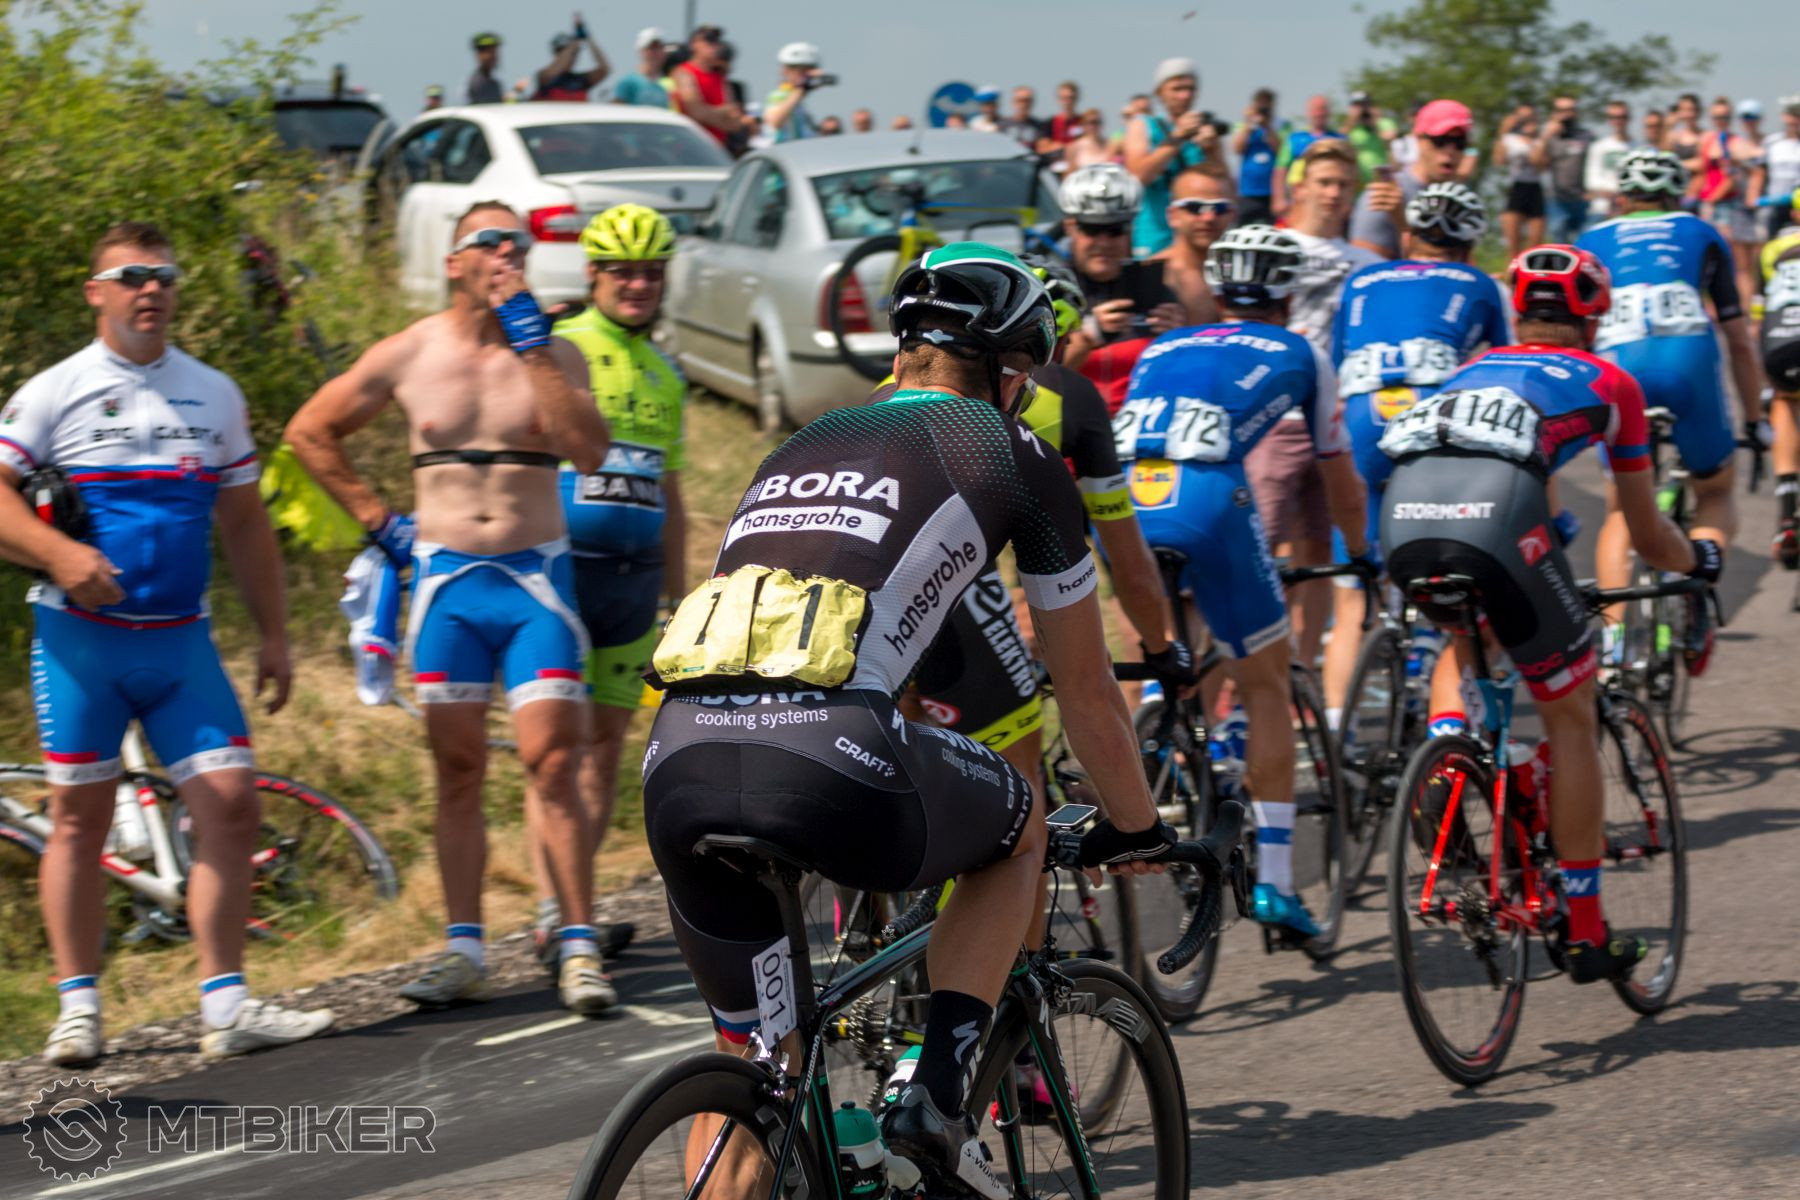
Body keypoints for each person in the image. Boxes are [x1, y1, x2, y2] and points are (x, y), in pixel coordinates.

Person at [642, 243, 1171, 1195]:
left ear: (903, 354)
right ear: (1013, 373)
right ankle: (936, 1097)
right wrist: (1138, 827)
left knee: (760, 1074)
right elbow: (1086, 687)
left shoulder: (801, 441)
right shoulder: (1012, 450)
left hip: (679, 759)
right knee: (1020, 826)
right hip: (823, 756)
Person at [0, 222, 331, 1065]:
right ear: (97, 292)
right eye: (132, 276)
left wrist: (275, 634)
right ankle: (78, 1009)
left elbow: (246, 523)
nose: (151, 289)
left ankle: (226, 1004)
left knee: (231, 803)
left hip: (182, 644)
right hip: (82, 644)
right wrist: (60, 555)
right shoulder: (55, 390)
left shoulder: (213, 393)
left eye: (165, 276)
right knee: (79, 821)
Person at [285, 202, 613, 1014]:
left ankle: (577, 943)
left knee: (553, 762)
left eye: (519, 243)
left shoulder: (556, 350)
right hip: (447, 587)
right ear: (453, 261)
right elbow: (310, 431)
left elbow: (588, 450)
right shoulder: (411, 351)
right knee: (458, 770)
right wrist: (378, 521)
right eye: (490, 241)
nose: (508, 254)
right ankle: (465, 949)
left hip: (536, 581)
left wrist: (533, 346)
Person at [1379, 244, 1719, 983]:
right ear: (1594, 316)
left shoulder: (1472, 370)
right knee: (1570, 712)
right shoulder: (1611, 382)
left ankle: (1445, 761)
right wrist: (1699, 560)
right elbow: (1647, 533)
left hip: (1404, 519)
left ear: (1519, 312)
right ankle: (1587, 931)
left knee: (1468, 640)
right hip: (1497, 523)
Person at [866, 257, 1187, 850]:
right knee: (1018, 817)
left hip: (846, 624)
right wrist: (1161, 650)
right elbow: (1126, 564)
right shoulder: (1070, 399)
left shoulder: (873, 403)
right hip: (962, 600)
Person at [1117, 225, 1371, 936]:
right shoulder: (1303, 351)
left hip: (1123, 504)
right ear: (1289, 294)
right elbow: (1338, 475)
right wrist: (1362, 554)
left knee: (1169, 643)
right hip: (1209, 500)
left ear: (1220, 289)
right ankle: (1277, 885)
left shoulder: (1162, 345)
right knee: (1266, 680)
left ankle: (1157, 728)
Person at [516, 205, 689, 972]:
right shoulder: (565, 346)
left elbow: (673, 494)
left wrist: (679, 601)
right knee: (554, 753)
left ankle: (571, 910)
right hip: (562, 573)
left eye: (652, 272)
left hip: (635, 584)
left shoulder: (667, 372)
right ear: (593, 275)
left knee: (602, 754)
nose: (638, 285)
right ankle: (554, 917)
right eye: (623, 272)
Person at [1320, 184, 1510, 722]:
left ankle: (1336, 734)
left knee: (1351, 599)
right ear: (1470, 247)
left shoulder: (1361, 280)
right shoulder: (1480, 283)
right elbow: (1507, 374)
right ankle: (1436, 670)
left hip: (1361, 416)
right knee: (1456, 570)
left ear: (1407, 238)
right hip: (1431, 417)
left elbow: (1337, 362)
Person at [1577, 150, 1765, 671]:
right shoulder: (1701, 231)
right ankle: (1697, 585)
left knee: (1622, 509)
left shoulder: (1590, 239)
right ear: (1676, 194)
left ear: (1622, 197)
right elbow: (1738, 340)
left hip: (1619, 365)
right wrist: (1755, 421)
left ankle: (1613, 646)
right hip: (1687, 361)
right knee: (1716, 489)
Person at [1260, 139, 1383, 666]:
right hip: (1275, 418)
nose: (1333, 194)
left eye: (1343, 185)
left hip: (1337, 421)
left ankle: (1301, 674)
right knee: (1263, 552)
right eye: (1324, 182)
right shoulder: (1271, 246)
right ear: (1301, 186)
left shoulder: (1370, 264)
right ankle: (1246, 678)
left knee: (1320, 553)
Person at [1055, 163, 1189, 411]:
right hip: (1070, 424)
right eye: (1092, 229)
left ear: (1130, 229)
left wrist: (1179, 339)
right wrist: (1088, 337)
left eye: (1115, 230)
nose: (1104, 242)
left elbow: (1184, 378)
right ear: (1070, 227)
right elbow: (1033, 380)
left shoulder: (1154, 287)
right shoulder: (1050, 290)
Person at [1124, 58, 1228, 257]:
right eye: (1177, 89)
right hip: (1154, 236)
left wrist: (1212, 150)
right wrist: (1178, 136)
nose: (1185, 95)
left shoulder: (1205, 129)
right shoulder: (1143, 125)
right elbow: (1137, 177)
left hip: (1197, 238)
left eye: (1190, 89)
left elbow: (1226, 190)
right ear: (1159, 92)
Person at [1350, 97, 1472, 259]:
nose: (1450, 151)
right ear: (1418, 139)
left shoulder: (1463, 200)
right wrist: (1400, 220)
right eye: (1441, 140)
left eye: (1460, 142)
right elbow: (1363, 268)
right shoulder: (1385, 195)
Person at [1759, 188, 1800, 565]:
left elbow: (1760, 312)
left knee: (1784, 402)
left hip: (1780, 344)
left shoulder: (1774, 248)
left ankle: (1788, 514)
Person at [1699, 96, 1766, 309]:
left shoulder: (1736, 143)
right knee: (1709, 260)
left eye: (1725, 117)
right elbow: (1702, 170)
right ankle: (1714, 308)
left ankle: (1743, 308)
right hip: (1710, 205)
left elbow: (1748, 173)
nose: (1721, 120)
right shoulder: (1707, 140)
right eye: (1717, 116)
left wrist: (1712, 199)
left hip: (1727, 207)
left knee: (1735, 263)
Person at [1150, 166, 1233, 323]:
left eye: (1219, 208)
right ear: (1173, 215)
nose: (1208, 217)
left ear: (1232, 214)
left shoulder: (1245, 275)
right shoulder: (1155, 277)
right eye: (1195, 207)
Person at [671, 25, 741, 150]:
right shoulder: (683, 72)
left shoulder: (720, 78)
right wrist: (723, 112)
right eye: (709, 39)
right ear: (694, 44)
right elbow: (696, 113)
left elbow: (735, 123)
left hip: (715, 151)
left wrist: (708, 114)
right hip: (688, 149)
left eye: (716, 40)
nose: (714, 44)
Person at [1274, 95, 1343, 221]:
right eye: (1316, 109)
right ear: (1309, 112)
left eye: (1323, 109)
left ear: (1329, 113)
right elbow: (1280, 170)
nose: (1319, 113)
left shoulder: (1339, 139)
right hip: (1299, 199)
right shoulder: (1295, 138)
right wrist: (1279, 199)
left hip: (1329, 200)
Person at [1495, 103, 1549, 257]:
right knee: (1513, 246)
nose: (1525, 121)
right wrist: (1503, 131)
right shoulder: (1509, 139)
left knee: (1535, 246)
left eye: (1529, 118)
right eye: (1522, 118)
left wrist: (1537, 139)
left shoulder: (1540, 140)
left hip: (1535, 188)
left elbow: (1539, 163)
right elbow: (1498, 160)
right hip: (1516, 188)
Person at [1541, 96, 1594, 242]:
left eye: (1570, 110)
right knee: (1559, 243)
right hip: (1557, 200)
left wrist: (1592, 190)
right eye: (1561, 110)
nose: (1566, 114)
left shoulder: (1586, 136)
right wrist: (1546, 136)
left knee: (1585, 243)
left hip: (1582, 199)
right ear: (1554, 113)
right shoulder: (1549, 138)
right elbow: (1538, 164)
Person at [533, 13, 609, 102]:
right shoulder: (543, 76)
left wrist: (588, 38)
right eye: (570, 53)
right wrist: (575, 42)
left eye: (575, 54)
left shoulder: (580, 80)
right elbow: (556, 68)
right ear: (556, 54)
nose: (572, 57)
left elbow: (604, 69)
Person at [1232, 87, 1281, 225]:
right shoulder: (1243, 125)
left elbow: (1281, 150)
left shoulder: (1281, 125)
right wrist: (1249, 124)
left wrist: (1268, 127)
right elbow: (1237, 149)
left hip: (1272, 193)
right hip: (1247, 192)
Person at [764, 42, 826, 142]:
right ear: (785, 70)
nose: (806, 75)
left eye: (809, 69)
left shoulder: (798, 102)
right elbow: (774, 122)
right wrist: (801, 89)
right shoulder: (779, 95)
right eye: (800, 70)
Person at [1584, 100, 1633, 223]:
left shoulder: (1638, 147)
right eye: (1614, 117)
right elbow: (1591, 181)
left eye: (1622, 116)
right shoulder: (1598, 147)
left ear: (1628, 118)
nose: (1618, 120)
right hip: (1601, 209)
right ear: (1609, 119)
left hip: (1629, 210)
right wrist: (1616, 192)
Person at [1760, 99, 1800, 242]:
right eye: (1792, 115)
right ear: (1784, 116)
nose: (1795, 120)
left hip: (1797, 207)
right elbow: (1760, 171)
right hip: (1774, 204)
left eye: (1798, 115)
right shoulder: (1771, 141)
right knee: (1772, 243)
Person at [611, 28, 673, 109]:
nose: (656, 53)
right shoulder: (628, 82)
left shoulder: (669, 84)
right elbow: (615, 110)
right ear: (641, 51)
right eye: (651, 48)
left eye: (660, 47)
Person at [1342, 90, 1397, 181]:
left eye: (1365, 105)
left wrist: (1374, 122)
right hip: (1358, 178)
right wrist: (1351, 120)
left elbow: (1390, 137)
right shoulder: (1352, 128)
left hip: (1383, 174)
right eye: (1357, 105)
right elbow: (1339, 140)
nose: (1362, 109)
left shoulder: (1383, 122)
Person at [999, 85, 1047, 150]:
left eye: (1026, 100)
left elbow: (1044, 148)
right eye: (1019, 100)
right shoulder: (1001, 125)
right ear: (1013, 102)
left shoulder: (1040, 126)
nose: (1023, 104)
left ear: (1032, 102)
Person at [466, 32, 503, 106]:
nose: (494, 57)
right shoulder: (477, 83)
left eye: (494, 52)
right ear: (479, 55)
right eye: (490, 52)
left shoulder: (494, 83)